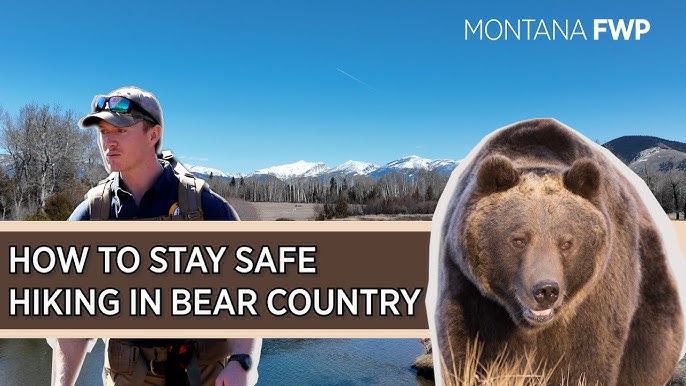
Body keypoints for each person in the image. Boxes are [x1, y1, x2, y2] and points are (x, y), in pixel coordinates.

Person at [51, 86, 261, 386]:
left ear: (153, 134)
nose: (108, 141)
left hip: (201, 373)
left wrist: (241, 362)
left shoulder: (200, 207)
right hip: (126, 374)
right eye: (103, 131)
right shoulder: (94, 213)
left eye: (120, 130)